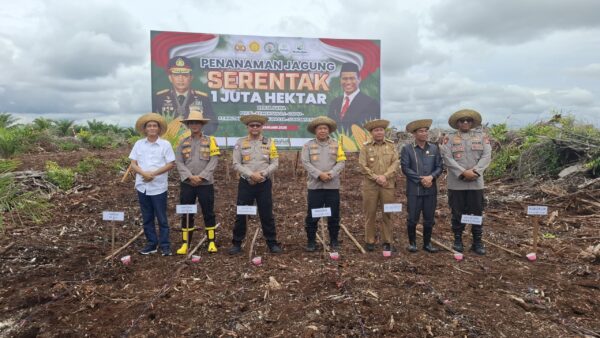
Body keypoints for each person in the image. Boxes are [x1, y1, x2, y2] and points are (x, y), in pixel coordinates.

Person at [440, 109, 492, 255]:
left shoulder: (482, 136)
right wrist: (463, 172)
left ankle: (477, 241)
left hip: (476, 182)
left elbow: (487, 155)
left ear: (472, 123)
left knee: (476, 212)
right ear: (457, 123)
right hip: (457, 183)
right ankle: (458, 240)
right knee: (457, 212)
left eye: (468, 120)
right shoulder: (449, 138)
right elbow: (447, 157)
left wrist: (475, 171)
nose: (465, 123)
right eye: (462, 121)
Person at [229, 115, 282, 255]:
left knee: (267, 214)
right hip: (246, 183)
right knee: (242, 214)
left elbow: (275, 163)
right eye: (252, 125)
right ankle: (237, 243)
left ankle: (272, 243)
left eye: (257, 125)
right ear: (247, 127)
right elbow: (236, 163)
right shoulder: (240, 143)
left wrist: (263, 174)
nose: (255, 128)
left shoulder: (269, 142)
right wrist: (250, 174)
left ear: (261, 127)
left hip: (264, 184)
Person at [129, 113, 176, 256]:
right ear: (145, 129)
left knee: (162, 217)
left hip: (158, 187)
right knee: (147, 217)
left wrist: (153, 174)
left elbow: (170, 164)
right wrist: (144, 174)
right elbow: (133, 164)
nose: (152, 128)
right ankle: (151, 244)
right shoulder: (138, 144)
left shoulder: (165, 144)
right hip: (142, 186)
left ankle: (165, 245)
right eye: (149, 126)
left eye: (154, 125)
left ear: (159, 128)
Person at [174, 110, 220, 254]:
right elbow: (179, 162)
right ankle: (185, 243)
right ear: (188, 125)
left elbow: (214, 160)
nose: (194, 125)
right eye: (191, 123)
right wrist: (189, 177)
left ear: (202, 125)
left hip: (205, 184)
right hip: (187, 184)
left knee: (208, 212)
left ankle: (211, 242)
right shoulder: (183, 142)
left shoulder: (210, 141)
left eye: (197, 123)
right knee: (187, 212)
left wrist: (202, 176)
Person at [301, 116, 346, 252]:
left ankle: (334, 240)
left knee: (334, 215)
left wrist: (331, 173)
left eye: (325, 128)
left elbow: (341, 162)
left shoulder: (336, 145)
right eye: (320, 128)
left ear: (329, 131)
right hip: (315, 187)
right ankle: (311, 241)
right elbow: (305, 162)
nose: (322, 131)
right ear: (315, 130)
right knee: (313, 215)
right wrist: (319, 174)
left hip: (332, 186)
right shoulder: (308, 145)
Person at [400, 119, 443, 253]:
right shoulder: (407, 149)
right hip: (414, 190)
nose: (424, 134)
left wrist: (431, 177)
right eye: (421, 131)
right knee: (412, 218)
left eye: (426, 131)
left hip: (430, 190)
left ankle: (427, 243)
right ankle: (412, 243)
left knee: (429, 219)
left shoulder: (434, 148)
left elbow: (439, 166)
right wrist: (420, 179)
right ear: (414, 134)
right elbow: (405, 168)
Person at [358, 119, 399, 252]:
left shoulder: (392, 146)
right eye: (376, 130)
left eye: (381, 130)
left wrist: (385, 176)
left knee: (387, 213)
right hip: (370, 186)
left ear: (384, 132)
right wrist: (376, 178)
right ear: (371, 133)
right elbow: (362, 166)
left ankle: (387, 241)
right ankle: (369, 240)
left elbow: (395, 163)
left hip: (387, 185)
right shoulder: (365, 147)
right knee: (370, 213)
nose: (379, 132)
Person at [153, 56, 218, 134]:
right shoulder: (160, 98)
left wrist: (195, 132)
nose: (181, 79)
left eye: (185, 75)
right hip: (169, 142)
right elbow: (154, 123)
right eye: (176, 75)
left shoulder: (202, 98)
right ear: (170, 78)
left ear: (191, 77)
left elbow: (212, 123)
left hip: (194, 141)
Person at [328, 62, 380, 132]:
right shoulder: (334, 103)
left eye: (352, 78)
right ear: (340, 80)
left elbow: (372, 130)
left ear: (359, 79)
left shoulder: (371, 104)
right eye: (344, 79)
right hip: (336, 142)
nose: (348, 82)